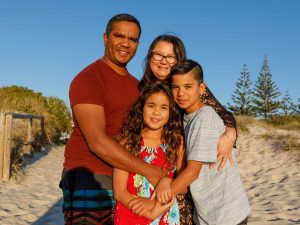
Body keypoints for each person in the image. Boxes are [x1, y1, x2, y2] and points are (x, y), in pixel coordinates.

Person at [59, 14, 165, 225]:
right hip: (91, 177)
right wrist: (150, 171)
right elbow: (97, 141)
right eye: (119, 36)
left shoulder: (138, 86)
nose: (126, 43)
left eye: (133, 39)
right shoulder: (89, 78)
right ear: (105, 38)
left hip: (127, 179)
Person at [137, 34, 238, 225]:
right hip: (147, 170)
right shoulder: (140, 90)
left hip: (181, 175)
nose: (163, 61)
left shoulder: (184, 88)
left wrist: (229, 136)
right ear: (150, 56)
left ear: (179, 60)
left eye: (171, 57)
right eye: (158, 55)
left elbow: (225, 116)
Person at [155, 59, 251, 225]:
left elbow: (192, 172)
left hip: (224, 215)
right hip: (210, 212)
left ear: (201, 89)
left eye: (188, 87)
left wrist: (156, 205)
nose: (181, 93)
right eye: (175, 87)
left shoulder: (203, 117)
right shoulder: (188, 118)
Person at [113, 83, 185, 224]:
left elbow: (184, 187)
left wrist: (167, 181)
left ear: (171, 112)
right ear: (141, 108)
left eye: (163, 107)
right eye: (151, 105)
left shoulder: (176, 142)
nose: (156, 112)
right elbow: (119, 192)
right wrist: (149, 211)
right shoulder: (127, 141)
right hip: (131, 212)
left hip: (164, 213)